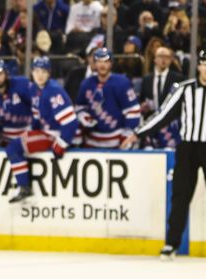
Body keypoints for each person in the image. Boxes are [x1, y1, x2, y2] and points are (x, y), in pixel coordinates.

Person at [121, 50, 206, 259]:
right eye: (204, 63)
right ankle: (172, 243)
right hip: (187, 148)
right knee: (180, 195)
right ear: (199, 66)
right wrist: (137, 133)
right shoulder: (185, 90)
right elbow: (163, 115)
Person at [6, 56, 78, 203]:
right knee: (15, 145)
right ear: (32, 72)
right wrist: (32, 131)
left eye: (43, 71)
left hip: (55, 135)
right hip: (47, 132)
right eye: (37, 71)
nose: (40, 75)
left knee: (13, 148)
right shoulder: (34, 89)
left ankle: (24, 187)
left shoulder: (54, 91)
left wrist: (61, 143)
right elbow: (37, 118)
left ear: (49, 73)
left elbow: (71, 123)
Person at [75, 47, 140, 148]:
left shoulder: (122, 82)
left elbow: (133, 111)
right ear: (94, 63)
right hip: (92, 141)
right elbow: (79, 108)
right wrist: (84, 117)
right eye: (99, 61)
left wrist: (127, 135)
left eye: (106, 61)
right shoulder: (86, 84)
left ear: (111, 63)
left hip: (117, 139)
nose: (102, 65)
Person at [0, 58, 33, 146]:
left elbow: (36, 104)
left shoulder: (21, 84)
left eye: (0, 74)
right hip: (6, 140)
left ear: (6, 74)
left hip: (27, 134)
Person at [138, 45, 183, 149]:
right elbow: (142, 100)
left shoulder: (179, 79)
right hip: (152, 123)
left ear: (171, 60)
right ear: (154, 59)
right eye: (160, 56)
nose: (163, 59)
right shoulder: (147, 79)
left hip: (171, 126)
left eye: (167, 57)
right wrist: (143, 106)